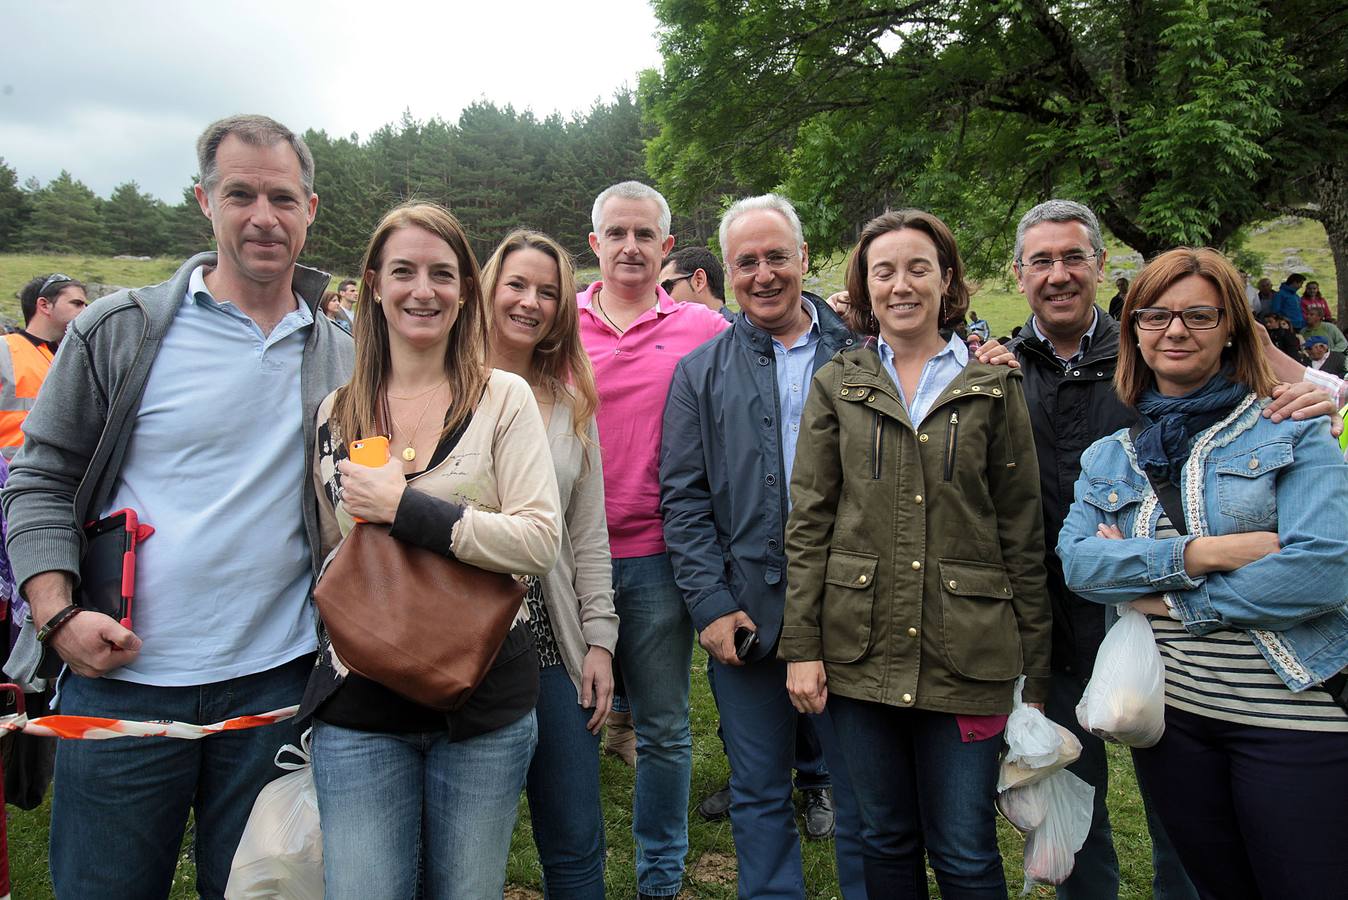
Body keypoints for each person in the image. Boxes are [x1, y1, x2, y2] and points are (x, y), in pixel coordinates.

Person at [1, 114, 353, 899]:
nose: (264, 216)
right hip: (120, 678)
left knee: (263, 891)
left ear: (311, 210)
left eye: (282, 197)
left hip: (277, 687)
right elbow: (40, 477)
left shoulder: (340, 352)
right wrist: (58, 613)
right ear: (204, 200)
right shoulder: (120, 330)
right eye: (241, 194)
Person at [1057, 246, 1348, 900]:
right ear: (1133, 331)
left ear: (1231, 330)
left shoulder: (1292, 429)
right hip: (1177, 725)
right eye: (1155, 316)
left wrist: (1169, 602)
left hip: (1292, 717)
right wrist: (1202, 555)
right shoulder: (1114, 456)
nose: (1176, 331)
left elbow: (1323, 571)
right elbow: (1080, 563)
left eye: (1198, 315)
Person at [783, 208, 1050, 897]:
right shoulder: (838, 383)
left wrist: (1037, 674)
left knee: (964, 849)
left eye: (918, 267)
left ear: (947, 280)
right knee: (883, 839)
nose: (901, 284)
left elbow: (1021, 529)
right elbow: (810, 520)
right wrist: (803, 647)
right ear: (865, 289)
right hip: (858, 648)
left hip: (969, 652)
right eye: (884, 271)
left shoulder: (993, 384)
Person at [303, 203, 561, 898]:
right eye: (405, 272)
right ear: (373, 285)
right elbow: (335, 557)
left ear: (465, 291)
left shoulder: (501, 397)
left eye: (442, 274)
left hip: (480, 705)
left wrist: (408, 510)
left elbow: (539, 540)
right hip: (360, 704)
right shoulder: (337, 412)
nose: (424, 289)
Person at [977, 199, 1199, 900]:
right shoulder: (999, 373)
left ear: (1101, 267)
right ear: (1019, 275)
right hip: (1047, 622)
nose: (1060, 274)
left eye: (1074, 257)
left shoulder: (1149, 359)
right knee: (1074, 801)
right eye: (1041, 261)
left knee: (1182, 801)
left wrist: (1314, 393)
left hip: (1158, 613)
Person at [661, 194, 865, 898]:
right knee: (756, 790)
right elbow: (683, 499)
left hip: (853, 613)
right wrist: (711, 605)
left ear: (804, 259)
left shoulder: (864, 355)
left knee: (866, 796)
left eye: (778, 256)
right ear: (726, 270)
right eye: (746, 261)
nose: (764, 273)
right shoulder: (699, 373)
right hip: (747, 614)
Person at [577, 180, 729, 899]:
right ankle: (572, 870)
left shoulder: (704, 328)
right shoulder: (557, 321)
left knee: (664, 727)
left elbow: (787, 360)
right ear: (595, 243)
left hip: (657, 557)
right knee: (564, 722)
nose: (631, 246)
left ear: (667, 247)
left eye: (645, 235)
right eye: (617, 233)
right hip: (561, 558)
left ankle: (660, 877)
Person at [482, 229, 618, 899]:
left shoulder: (571, 410)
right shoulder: (444, 389)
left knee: (572, 840)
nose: (530, 302)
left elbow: (588, 536)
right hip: (462, 648)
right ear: (489, 290)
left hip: (551, 651)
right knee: (463, 849)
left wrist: (600, 641)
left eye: (547, 292)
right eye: (517, 285)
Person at [0, 274, 88, 459]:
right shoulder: (5, 349)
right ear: (44, 305)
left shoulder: (76, 358)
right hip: (11, 476)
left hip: (57, 476)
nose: (86, 310)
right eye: (77, 303)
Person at [659, 246, 731, 319]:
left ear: (699, 281)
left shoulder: (739, 329)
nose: (661, 300)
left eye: (666, 288)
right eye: (658, 294)